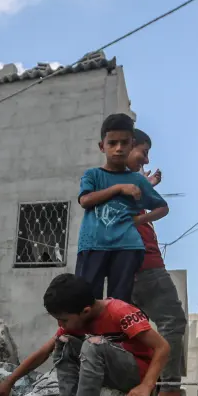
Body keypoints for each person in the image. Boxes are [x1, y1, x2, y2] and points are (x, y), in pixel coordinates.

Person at [0, 273, 170, 396]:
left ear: (85, 311)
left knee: (93, 344)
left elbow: (162, 347)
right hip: (110, 372)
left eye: (63, 320)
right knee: (64, 341)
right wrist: (9, 382)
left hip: (136, 374)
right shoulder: (77, 321)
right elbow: (43, 352)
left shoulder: (120, 312)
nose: (60, 324)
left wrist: (146, 386)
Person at [75, 113, 168, 305]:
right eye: (112, 143)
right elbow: (85, 200)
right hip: (93, 244)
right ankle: (90, 327)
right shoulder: (93, 175)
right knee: (86, 301)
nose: (118, 148)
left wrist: (138, 220)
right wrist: (118, 188)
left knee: (120, 303)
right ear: (102, 146)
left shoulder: (137, 180)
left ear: (131, 145)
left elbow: (162, 208)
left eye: (124, 143)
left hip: (127, 246)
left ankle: (115, 327)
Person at [125, 147, 189, 396]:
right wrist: (144, 185)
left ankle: (145, 386)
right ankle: (168, 389)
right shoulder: (122, 182)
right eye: (143, 153)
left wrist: (147, 184)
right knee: (172, 322)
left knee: (136, 332)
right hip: (147, 267)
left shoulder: (125, 186)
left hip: (135, 269)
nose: (147, 161)